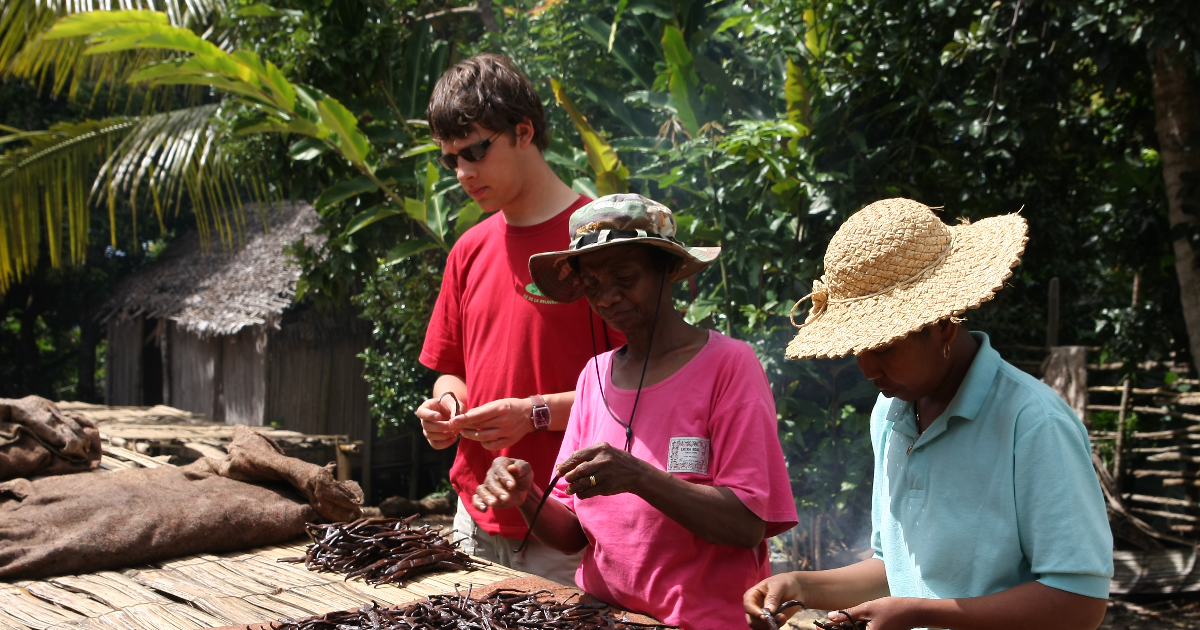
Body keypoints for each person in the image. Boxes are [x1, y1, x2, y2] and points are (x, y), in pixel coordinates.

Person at [745, 198, 1113, 630]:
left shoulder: (1033, 423)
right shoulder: (890, 413)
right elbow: (897, 567)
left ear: (943, 324)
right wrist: (800, 585)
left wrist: (919, 613)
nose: (866, 368)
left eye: (883, 346)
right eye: (856, 348)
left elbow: (1080, 603)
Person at [473, 194, 798, 630]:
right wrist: (525, 495)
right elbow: (571, 533)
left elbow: (746, 525)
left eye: (625, 277)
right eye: (592, 284)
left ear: (668, 268)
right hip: (604, 617)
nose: (608, 297)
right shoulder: (595, 376)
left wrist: (640, 477)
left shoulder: (729, 365)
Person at [416, 53, 623, 584]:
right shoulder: (468, 250)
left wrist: (533, 414)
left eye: (475, 151)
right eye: (451, 159)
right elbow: (451, 369)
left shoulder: (603, 244)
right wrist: (447, 407)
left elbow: (646, 390)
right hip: (473, 518)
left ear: (524, 132)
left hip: (572, 527)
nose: (463, 172)